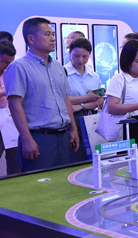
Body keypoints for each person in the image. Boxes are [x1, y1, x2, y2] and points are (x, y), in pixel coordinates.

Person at [5, 17, 80, 172]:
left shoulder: (58, 66)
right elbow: (15, 104)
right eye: (47, 34)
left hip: (63, 136)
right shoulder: (19, 67)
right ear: (31, 39)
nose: (53, 38)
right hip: (39, 138)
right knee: (39, 184)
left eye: (53, 34)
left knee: (63, 181)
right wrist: (27, 139)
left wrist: (73, 129)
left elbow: (65, 99)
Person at [65, 37, 104, 162]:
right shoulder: (63, 73)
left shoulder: (94, 76)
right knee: (75, 158)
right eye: (76, 56)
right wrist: (87, 98)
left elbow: (100, 101)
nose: (80, 60)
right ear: (70, 53)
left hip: (91, 119)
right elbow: (63, 99)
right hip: (71, 120)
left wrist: (80, 106)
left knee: (94, 158)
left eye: (85, 57)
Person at [0, 41, 19, 175]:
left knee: (15, 161)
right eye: (4, 62)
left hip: (10, 122)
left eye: (9, 63)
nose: (6, 66)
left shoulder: (9, 72)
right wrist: (4, 92)